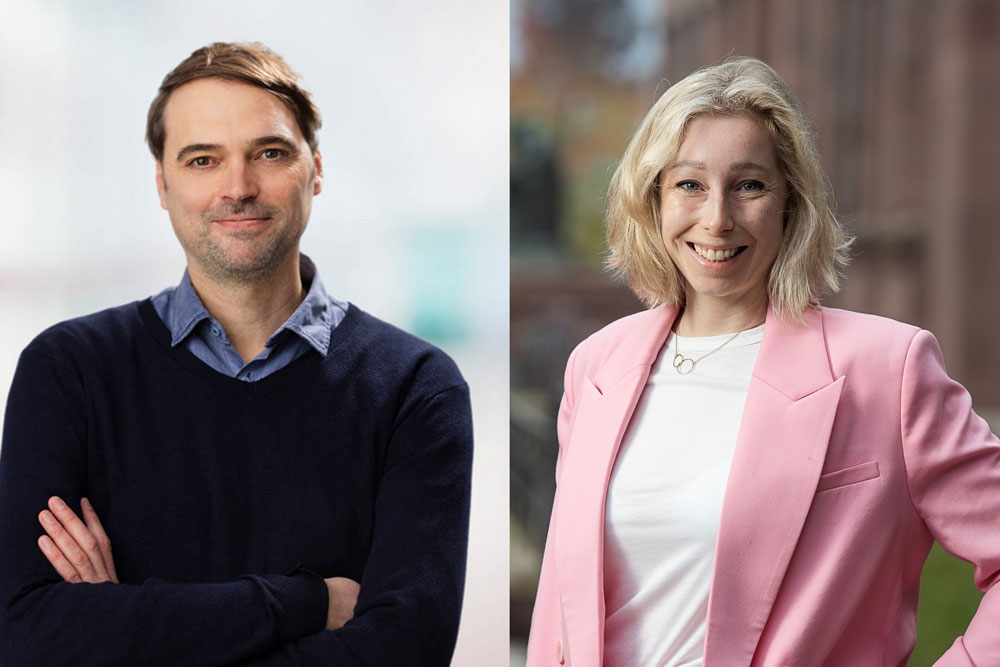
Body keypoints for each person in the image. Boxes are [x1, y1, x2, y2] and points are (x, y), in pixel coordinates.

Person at [0, 42, 472, 665]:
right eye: (202, 159)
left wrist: (127, 629)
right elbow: (25, 633)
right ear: (163, 185)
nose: (238, 187)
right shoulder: (68, 371)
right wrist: (300, 604)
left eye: (270, 153)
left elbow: (408, 649)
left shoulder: (415, 388)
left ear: (317, 168)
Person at [525, 57, 1000, 666]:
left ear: (790, 203)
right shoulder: (596, 366)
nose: (717, 219)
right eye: (689, 184)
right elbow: (559, 604)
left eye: (749, 185)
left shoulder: (888, 368)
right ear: (654, 200)